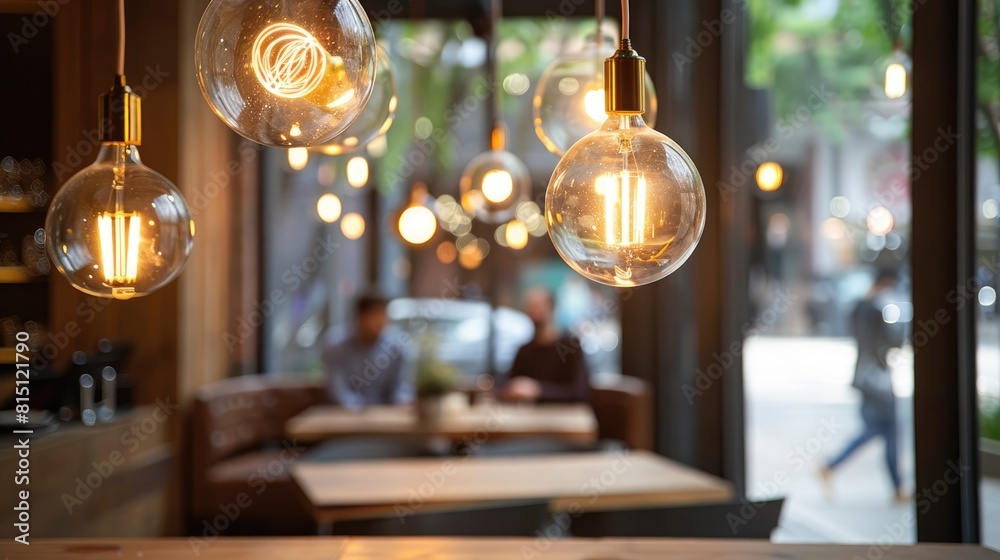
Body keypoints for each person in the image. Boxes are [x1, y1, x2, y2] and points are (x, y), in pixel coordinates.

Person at [820, 268, 907, 501]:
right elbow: (894, 340)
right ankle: (831, 465)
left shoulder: (858, 307)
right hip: (877, 379)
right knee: (882, 430)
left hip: (864, 377)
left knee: (883, 431)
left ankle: (897, 487)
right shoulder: (877, 310)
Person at [322, 293, 413, 407]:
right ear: (360, 317)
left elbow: (402, 386)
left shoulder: (396, 346)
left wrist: (402, 401)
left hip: (387, 415)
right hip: (346, 416)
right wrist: (360, 410)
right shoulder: (335, 345)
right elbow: (337, 390)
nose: (381, 321)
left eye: (383, 314)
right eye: (375, 314)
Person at [501, 288, 590, 403]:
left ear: (552, 309)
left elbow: (580, 393)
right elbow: (509, 387)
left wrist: (538, 390)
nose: (534, 312)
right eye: (530, 306)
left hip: (566, 418)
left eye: (538, 306)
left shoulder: (571, 345)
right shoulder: (524, 351)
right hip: (529, 418)